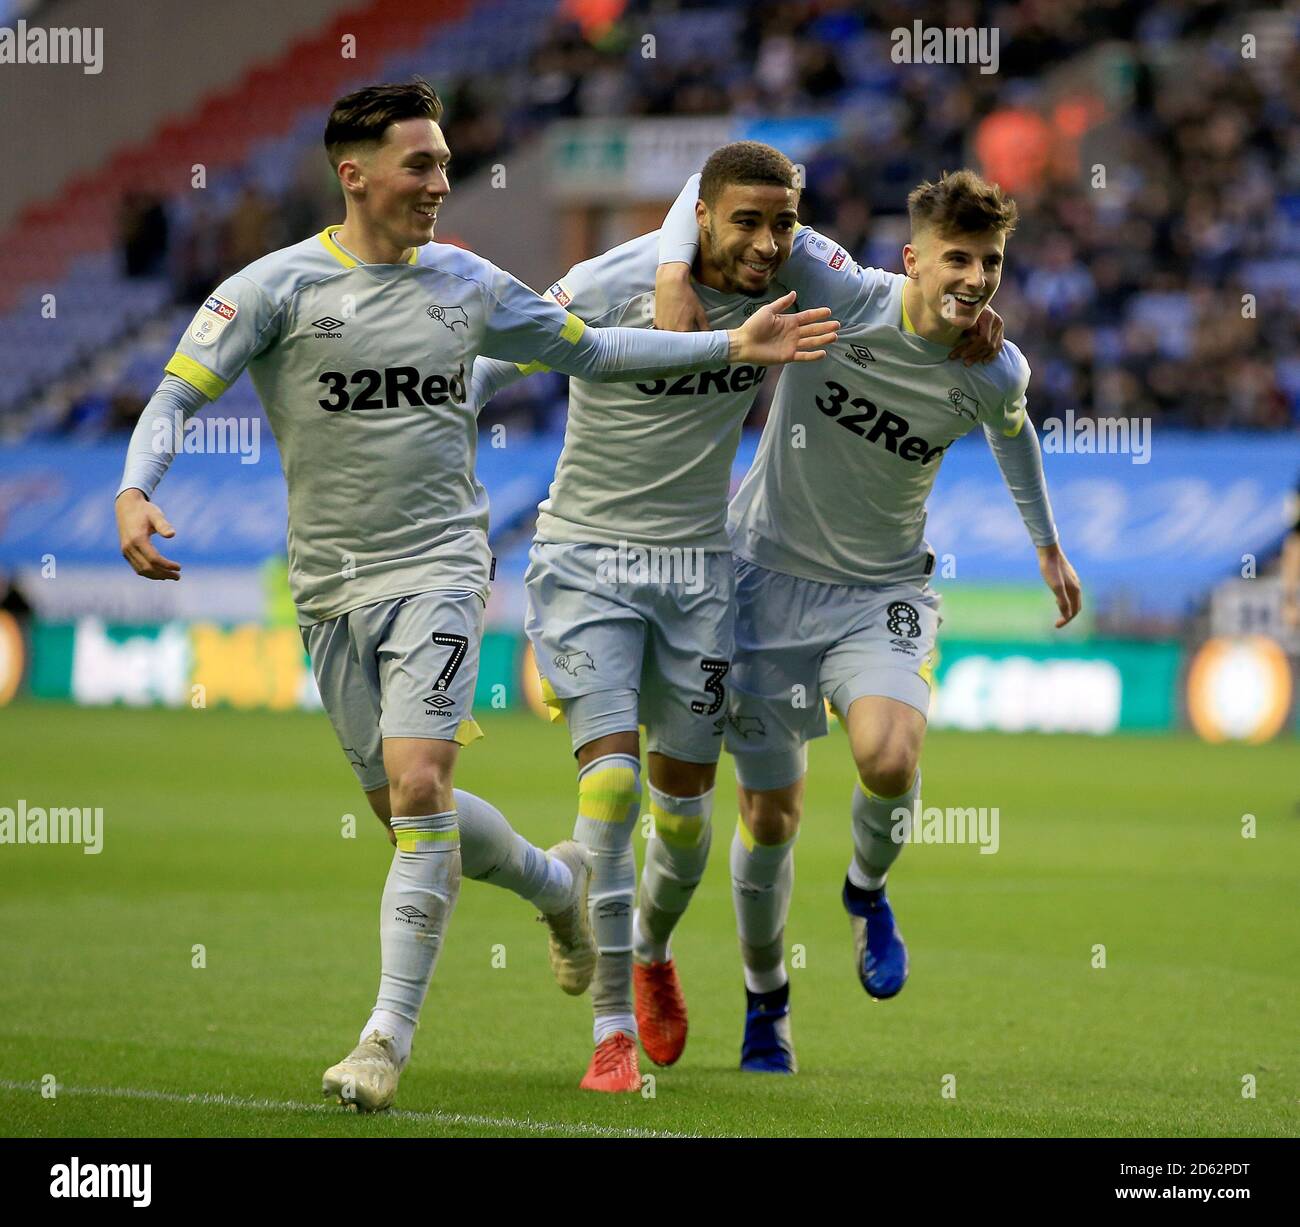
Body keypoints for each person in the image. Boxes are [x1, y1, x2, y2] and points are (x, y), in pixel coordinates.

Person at [113, 81, 837, 1112]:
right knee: (412, 813)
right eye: (421, 165)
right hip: (327, 588)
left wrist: (727, 344)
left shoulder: (469, 283)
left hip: (444, 569)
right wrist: (138, 488)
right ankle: (560, 890)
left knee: (420, 789)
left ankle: (381, 1044)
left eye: (447, 163)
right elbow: (178, 390)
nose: (441, 184)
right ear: (352, 173)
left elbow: (590, 350)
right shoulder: (268, 289)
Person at [471, 142, 996, 1090]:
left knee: (683, 826)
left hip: (703, 575)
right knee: (615, 787)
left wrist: (968, 313)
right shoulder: (617, 275)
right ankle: (612, 1029)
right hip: (588, 560)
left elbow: (903, 298)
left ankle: (649, 946)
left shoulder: (794, 284)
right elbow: (500, 355)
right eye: (743, 222)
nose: (765, 243)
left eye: (781, 224)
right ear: (702, 215)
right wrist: (442, 463)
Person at [656, 167, 1082, 1072]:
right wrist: (666, 275)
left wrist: (1046, 545)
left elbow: (1014, 428)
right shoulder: (835, 288)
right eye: (957, 259)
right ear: (912, 258)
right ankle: (766, 1001)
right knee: (769, 818)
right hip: (761, 583)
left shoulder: (992, 364)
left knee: (889, 757)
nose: (974, 279)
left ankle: (865, 890)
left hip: (881, 591)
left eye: (991, 262)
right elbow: (709, 179)